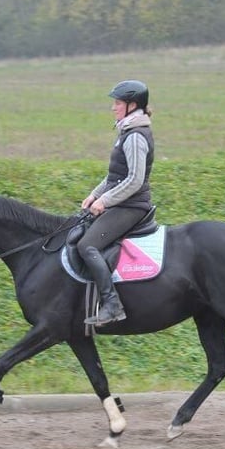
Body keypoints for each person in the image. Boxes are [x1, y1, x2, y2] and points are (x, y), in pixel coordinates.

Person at [79, 79, 155, 326]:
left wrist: (104, 201)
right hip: (120, 202)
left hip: (131, 206)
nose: (113, 107)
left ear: (132, 105)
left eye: (118, 103)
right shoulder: (126, 132)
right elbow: (115, 175)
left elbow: (134, 180)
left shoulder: (135, 137)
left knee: (87, 246)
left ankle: (112, 305)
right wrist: (94, 194)